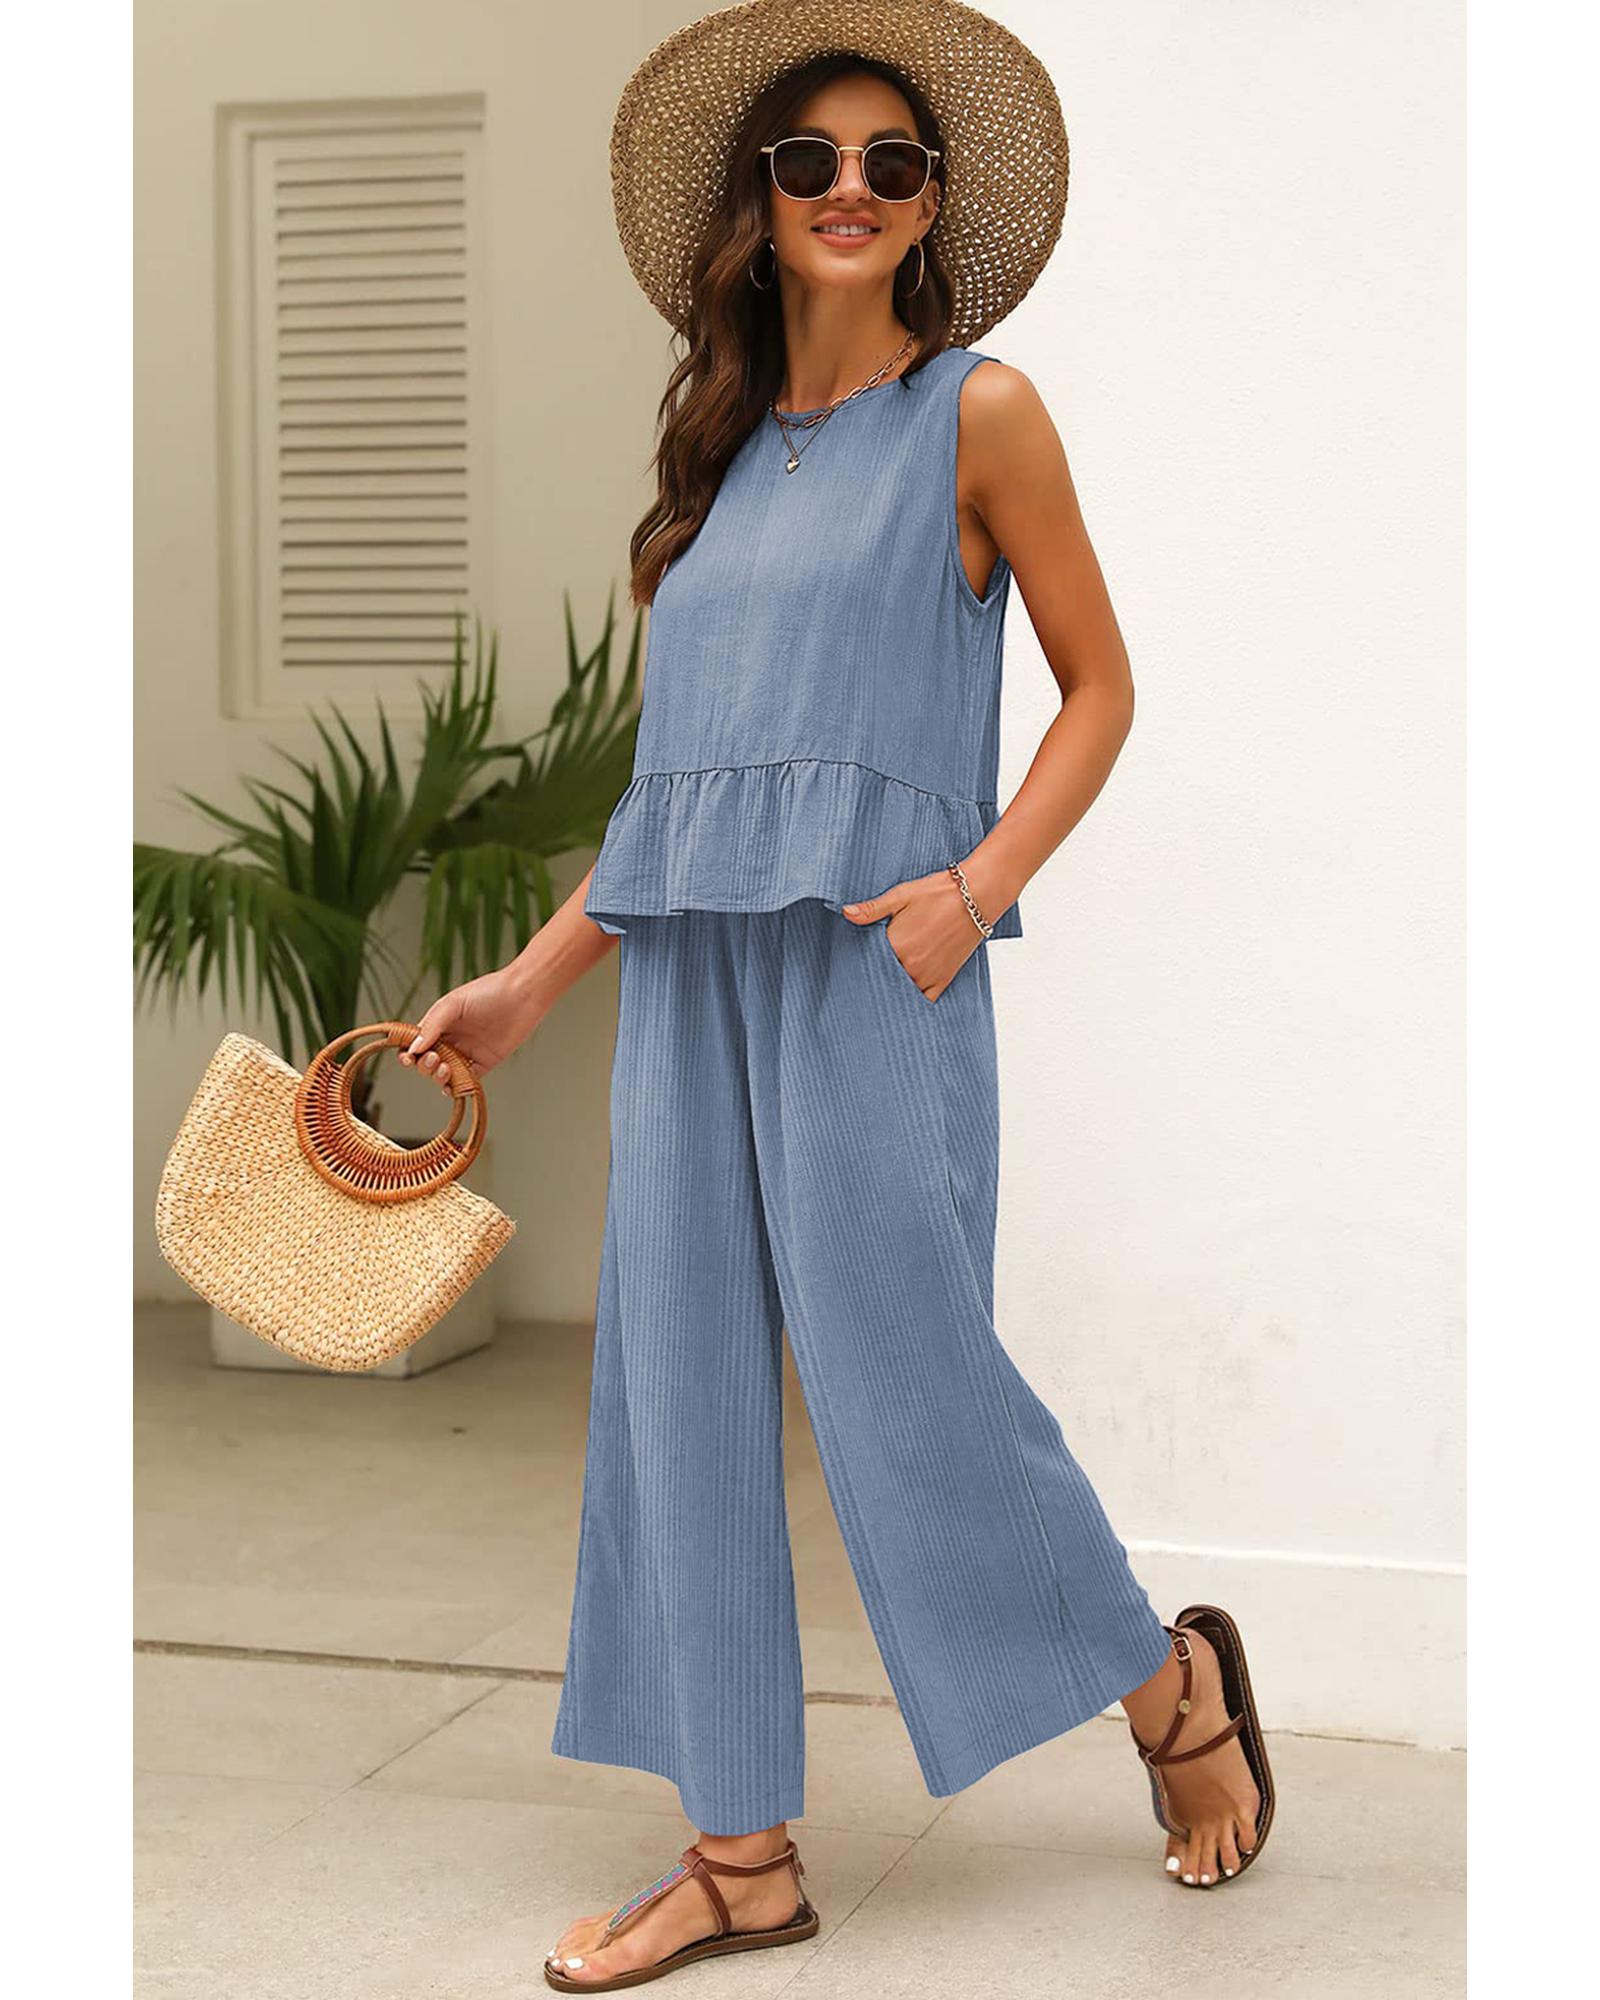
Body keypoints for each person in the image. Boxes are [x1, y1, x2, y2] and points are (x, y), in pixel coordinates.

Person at [401, 4, 1274, 1990]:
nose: (852, 189)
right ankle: (735, 1854)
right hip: (691, 972)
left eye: (892, 163)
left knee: (905, 1364)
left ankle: (1168, 1682)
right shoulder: (713, 466)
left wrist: (977, 888)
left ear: (933, 203)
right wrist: (529, 984)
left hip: (883, 952)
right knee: (680, 1380)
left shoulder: (979, 414)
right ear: (761, 199)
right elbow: (678, 796)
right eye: (812, 161)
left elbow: (1100, 689)